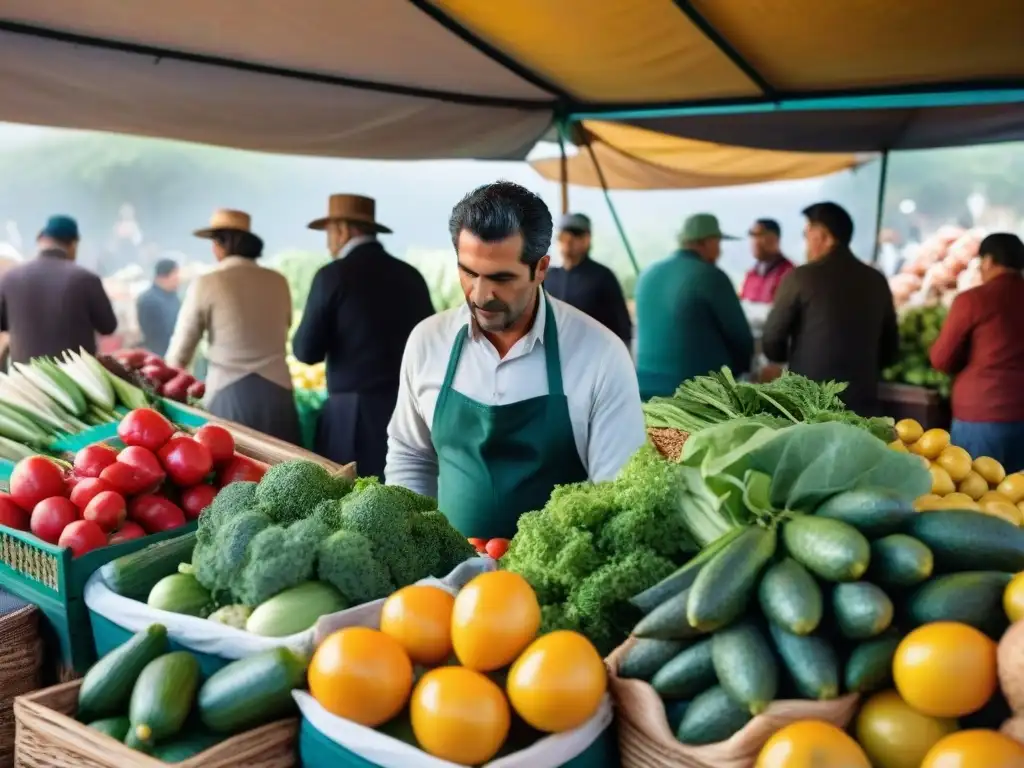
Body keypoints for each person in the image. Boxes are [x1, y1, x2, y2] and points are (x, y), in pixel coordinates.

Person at [385, 181, 646, 539]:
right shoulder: (427, 343)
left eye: (501, 278)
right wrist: (412, 545)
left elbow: (615, 494)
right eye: (469, 272)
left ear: (541, 268)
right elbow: (411, 456)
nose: (480, 295)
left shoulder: (600, 355)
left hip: (554, 588)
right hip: (443, 584)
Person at [292, 194, 434, 480]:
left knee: (350, 504)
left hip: (351, 415)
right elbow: (431, 344)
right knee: (406, 497)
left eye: (329, 232)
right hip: (409, 410)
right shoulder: (410, 276)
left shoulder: (333, 276)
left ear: (343, 229)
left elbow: (306, 351)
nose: (328, 241)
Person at [165, 210, 301, 444]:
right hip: (278, 394)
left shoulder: (207, 282)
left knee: (236, 473)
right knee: (287, 469)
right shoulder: (278, 281)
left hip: (228, 396)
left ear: (220, 245)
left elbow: (180, 353)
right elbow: (285, 325)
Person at [762, 202, 899, 417]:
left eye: (806, 234)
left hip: (809, 406)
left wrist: (801, 357)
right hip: (861, 406)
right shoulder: (876, 280)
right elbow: (890, 351)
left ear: (822, 236)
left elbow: (772, 342)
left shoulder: (800, 278)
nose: (805, 243)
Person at [929, 233, 1024, 471]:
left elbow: (941, 358)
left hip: (982, 414)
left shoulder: (974, 300)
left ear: (989, 261)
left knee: (975, 493)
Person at [634, 213, 754, 399]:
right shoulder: (711, 276)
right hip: (697, 394)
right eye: (718, 243)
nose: (719, 251)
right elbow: (741, 338)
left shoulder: (647, 274)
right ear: (706, 242)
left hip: (644, 390)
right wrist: (742, 371)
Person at [0, 214, 117, 365]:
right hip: (73, 382)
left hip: (26, 382)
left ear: (42, 241)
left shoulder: (10, 278)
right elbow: (108, 327)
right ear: (73, 244)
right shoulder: (85, 279)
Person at [544, 213, 632, 346]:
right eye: (563, 236)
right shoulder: (549, 277)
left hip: (593, 357)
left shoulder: (603, 277)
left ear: (587, 240)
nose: (568, 241)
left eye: (575, 235)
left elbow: (623, 327)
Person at [739, 218, 794, 303]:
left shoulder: (789, 274)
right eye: (753, 236)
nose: (755, 242)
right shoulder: (751, 275)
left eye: (760, 235)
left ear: (775, 239)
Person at [136, 259, 181, 357]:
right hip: (159, 353)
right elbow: (152, 333)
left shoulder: (174, 297)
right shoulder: (148, 300)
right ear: (162, 277)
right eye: (175, 276)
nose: (178, 280)